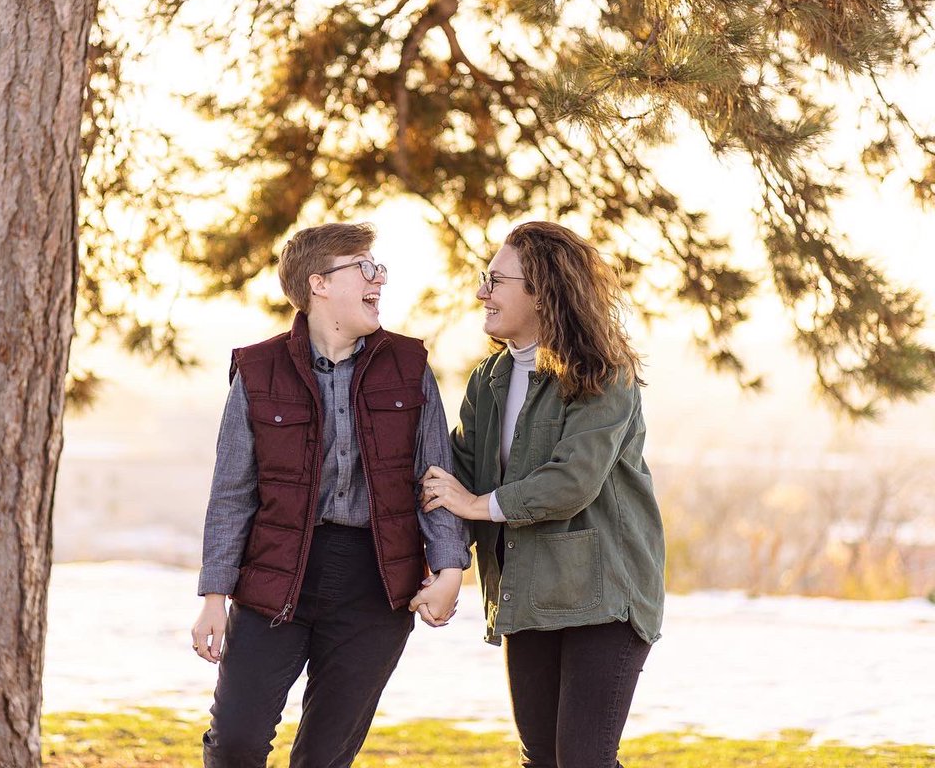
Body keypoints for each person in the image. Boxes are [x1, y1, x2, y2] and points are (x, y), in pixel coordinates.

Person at [191, 221, 471, 768]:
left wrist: (450, 567)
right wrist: (213, 596)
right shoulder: (257, 368)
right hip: (276, 577)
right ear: (319, 283)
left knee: (325, 757)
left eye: (379, 268)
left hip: (375, 582)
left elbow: (433, 477)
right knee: (236, 743)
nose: (379, 280)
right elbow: (232, 493)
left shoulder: (409, 365)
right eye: (364, 268)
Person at [413, 220, 665, 768]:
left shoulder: (602, 373)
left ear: (542, 290)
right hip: (525, 594)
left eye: (496, 280)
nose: (483, 292)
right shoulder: (489, 379)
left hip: (604, 599)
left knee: (582, 760)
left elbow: (570, 481)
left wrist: (477, 506)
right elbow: (455, 473)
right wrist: (442, 554)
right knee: (542, 760)